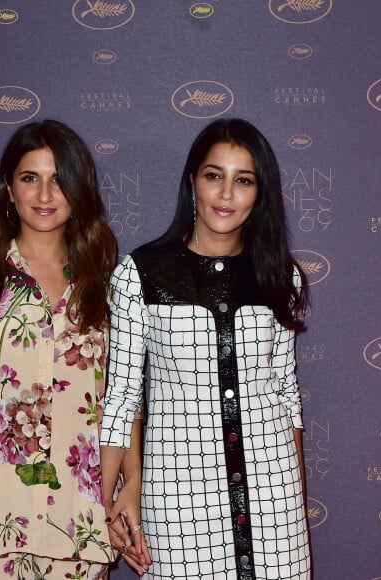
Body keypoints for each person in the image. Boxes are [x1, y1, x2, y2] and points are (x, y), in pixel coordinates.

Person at [0, 119, 142, 579]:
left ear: (79, 191)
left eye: (59, 180)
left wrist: (130, 483)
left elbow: (123, 400)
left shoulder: (107, 289)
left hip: (79, 520)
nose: (44, 195)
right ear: (8, 188)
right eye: (30, 178)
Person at [100, 118, 311, 579]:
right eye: (214, 175)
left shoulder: (280, 276)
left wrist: (295, 504)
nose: (226, 194)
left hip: (273, 498)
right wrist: (111, 498)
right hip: (177, 497)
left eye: (244, 180)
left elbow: (286, 396)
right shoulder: (141, 275)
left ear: (260, 195)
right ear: (192, 181)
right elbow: (122, 398)